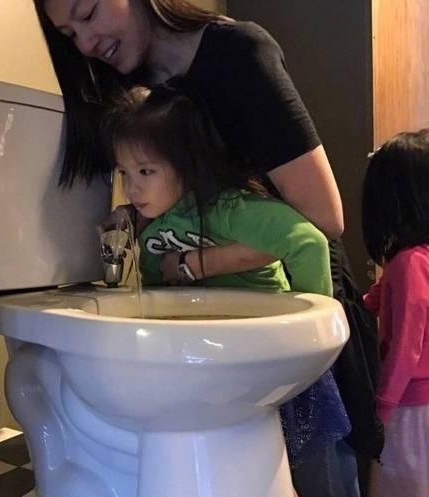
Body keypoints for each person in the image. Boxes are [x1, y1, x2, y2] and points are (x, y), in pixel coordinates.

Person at [32, 0, 384, 488]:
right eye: (69, 35)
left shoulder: (235, 56)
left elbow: (321, 223)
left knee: (314, 468)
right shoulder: (127, 92)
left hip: (290, 291)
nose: (86, 44)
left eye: (88, 13)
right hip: (217, 325)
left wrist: (193, 264)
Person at [103, 84, 359, 497]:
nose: (132, 189)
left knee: (318, 469)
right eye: (124, 173)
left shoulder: (228, 209)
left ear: (187, 164)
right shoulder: (153, 226)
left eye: (146, 172)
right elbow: (157, 291)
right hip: (221, 362)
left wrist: (311, 346)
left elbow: (308, 242)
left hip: (276, 356)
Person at [361, 129, 429, 497]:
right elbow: (383, 296)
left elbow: (406, 346)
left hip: (409, 404)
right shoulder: (417, 258)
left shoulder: (408, 263)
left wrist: (382, 408)